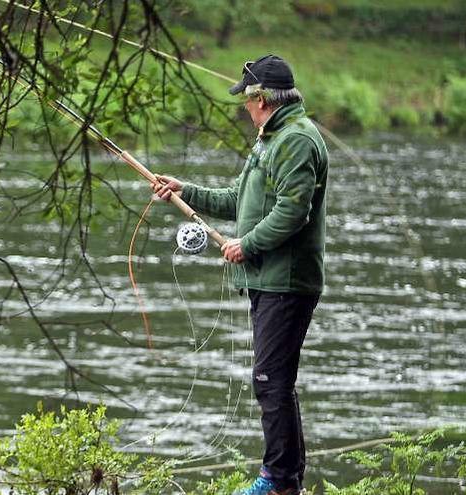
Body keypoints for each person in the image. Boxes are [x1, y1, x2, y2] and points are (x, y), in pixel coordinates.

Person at [152, 54, 328, 495]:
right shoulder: (271, 139)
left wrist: (245, 244)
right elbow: (237, 200)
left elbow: (293, 211)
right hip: (267, 279)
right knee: (276, 382)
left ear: (262, 98)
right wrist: (183, 190)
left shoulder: (295, 140)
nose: (244, 108)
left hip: (285, 282)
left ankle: (278, 481)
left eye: (246, 100)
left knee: (270, 381)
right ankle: (287, 481)